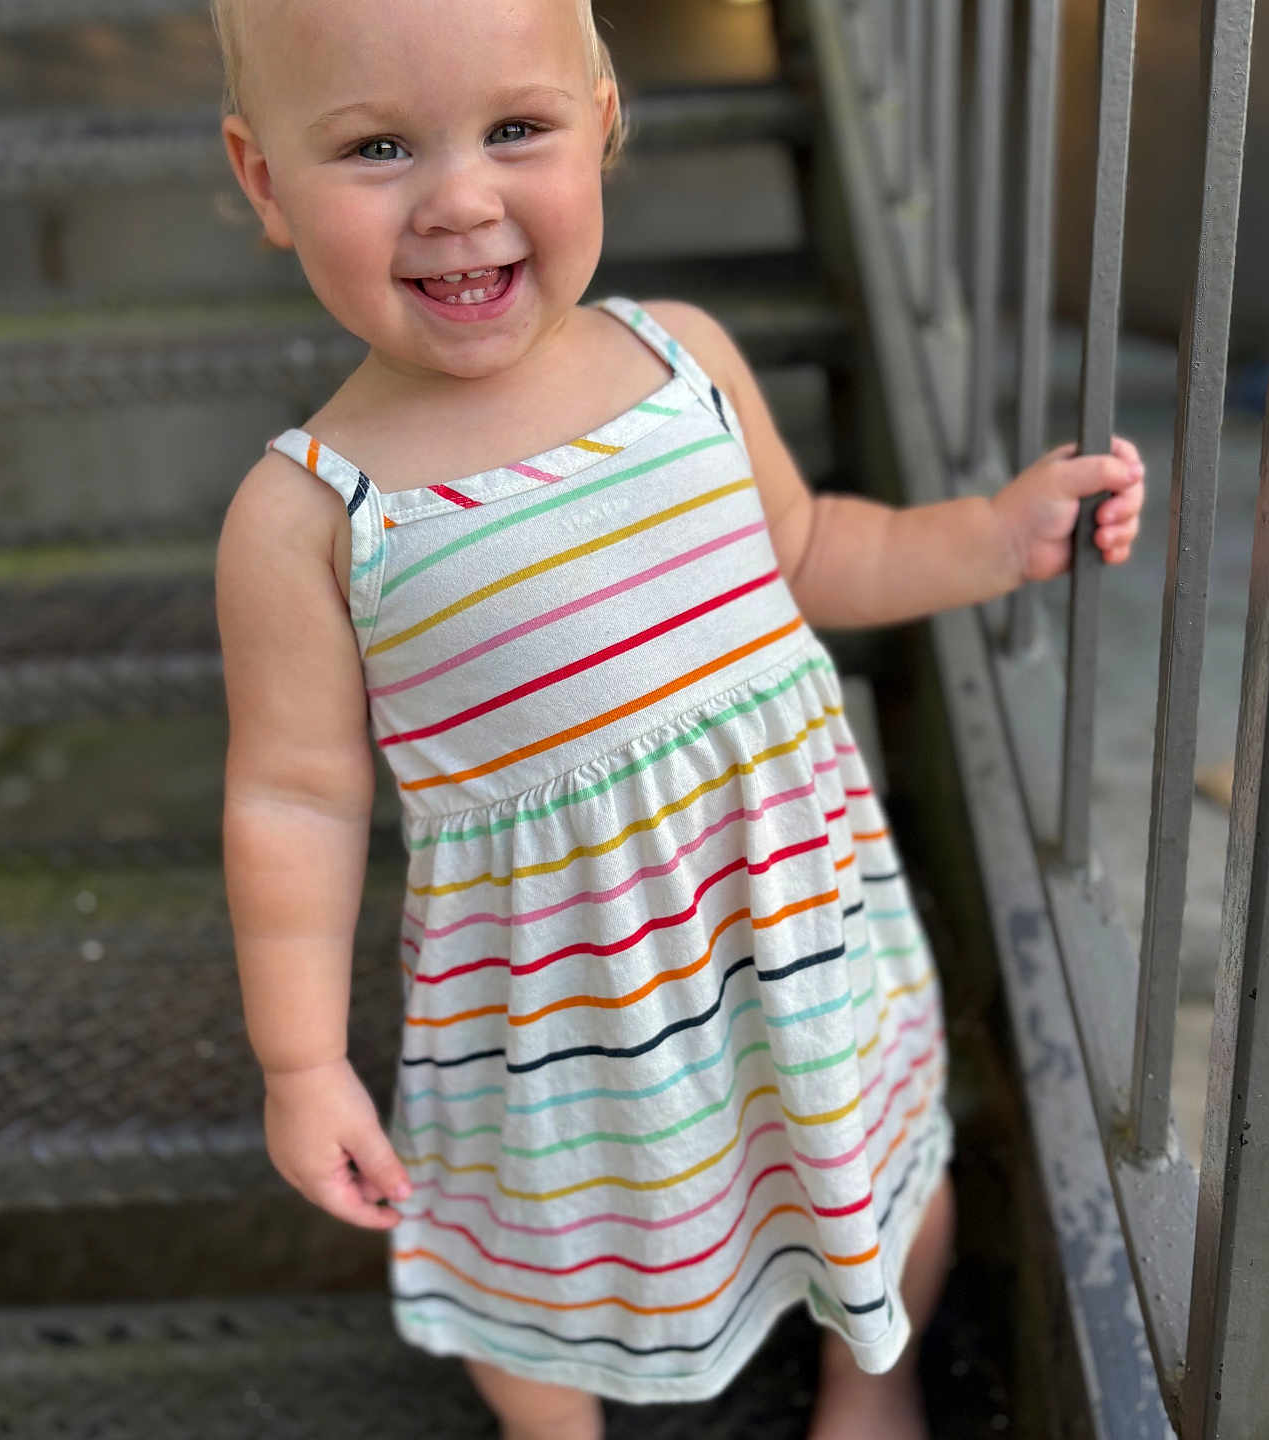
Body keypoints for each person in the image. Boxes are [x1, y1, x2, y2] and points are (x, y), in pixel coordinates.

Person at [211, 0, 1145, 1435]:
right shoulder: (311, 513)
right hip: (548, 1006)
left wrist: (992, 533)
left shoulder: (682, 358)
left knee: (884, 1180)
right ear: (265, 180)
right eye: (379, 147)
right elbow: (296, 797)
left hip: (789, 936)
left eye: (515, 129)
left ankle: (869, 1375)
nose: (459, 200)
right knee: (524, 1268)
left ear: (603, 119)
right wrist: (301, 1061)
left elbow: (816, 549)